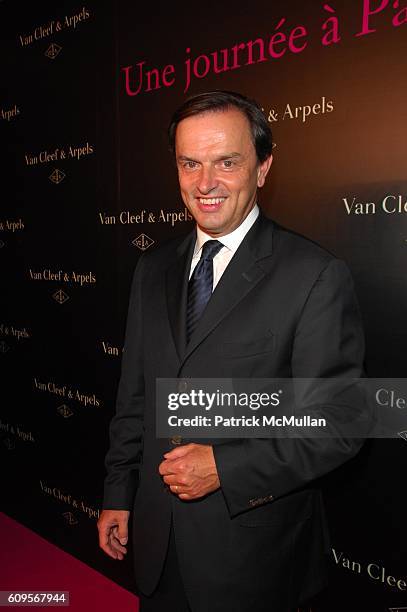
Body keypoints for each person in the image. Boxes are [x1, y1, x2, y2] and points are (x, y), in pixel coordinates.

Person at [97, 91, 365, 612]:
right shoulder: (152, 270)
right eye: (189, 163)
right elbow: (134, 395)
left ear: (263, 167)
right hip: (155, 544)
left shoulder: (313, 275)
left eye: (227, 162)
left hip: (253, 557)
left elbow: (343, 420)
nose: (205, 184)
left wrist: (226, 466)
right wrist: (118, 492)